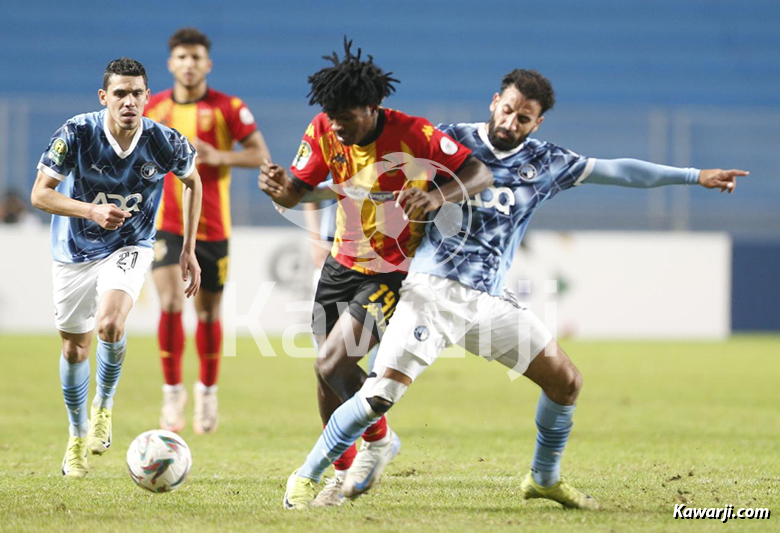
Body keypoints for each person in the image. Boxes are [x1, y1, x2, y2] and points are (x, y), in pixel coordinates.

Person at [282, 69, 749, 509]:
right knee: (376, 395)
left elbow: (619, 170)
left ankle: (543, 478)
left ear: (537, 121)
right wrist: (317, 204)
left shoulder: (546, 162)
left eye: (523, 117)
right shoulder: (448, 141)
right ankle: (306, 476)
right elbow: (363, 183)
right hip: (431, 294)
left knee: (566, 382)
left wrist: (694, 176)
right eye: (506, 109)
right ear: (494, 101)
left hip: (488, 302)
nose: (510, 121)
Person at [259, 39, 493, 507]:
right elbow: (296, 193)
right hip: (340, 264)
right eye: (333, 117)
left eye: (347, 117)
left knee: (332, 362)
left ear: (373, 106)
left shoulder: (416, 134)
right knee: (326, 375)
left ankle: (380, 440)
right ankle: (342, 475)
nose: (338, 126)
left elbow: (479, 173)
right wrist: (278, 190)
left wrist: (436, 196)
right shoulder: (324, 128)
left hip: (391, 273)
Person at [30, 57, 202, 478]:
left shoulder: (164, 141)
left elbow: (192, 181)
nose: (129, 101)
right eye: (120, 93)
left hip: (131, 243)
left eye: (137, 93)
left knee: (110, 324)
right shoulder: (77, 133)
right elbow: (40, 194)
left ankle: (103, 406)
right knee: (74, 348)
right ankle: (76, 435)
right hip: (73, 250)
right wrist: (90, 210)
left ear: (147, 97)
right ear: (104, 97)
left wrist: (188, 248)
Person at [144, 28, 270, 434]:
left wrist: (220, 156)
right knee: (169, 304)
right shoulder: (154, 108)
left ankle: (208, 392)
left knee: (208, 311)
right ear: (171, 64)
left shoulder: (227, 108)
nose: (189, 64)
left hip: (213, 228)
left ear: (207, 65)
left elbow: (260, 154)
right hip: (166, 223)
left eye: (196, 57)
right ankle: (171, 393)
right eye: (182, 57)